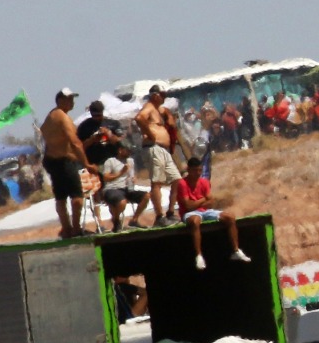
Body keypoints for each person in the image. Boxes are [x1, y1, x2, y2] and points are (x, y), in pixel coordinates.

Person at [174, 157, 251, 271]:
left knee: (230, 217)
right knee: (195, 221)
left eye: (200, 170)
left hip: (205, 211)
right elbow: (188, 206)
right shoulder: (182, 183)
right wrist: (202, 200)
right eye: (195, 170)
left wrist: (198, 202)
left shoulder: (204, 182)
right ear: (189, 170)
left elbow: (211, 201)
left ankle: (236, 250)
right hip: (189, 213)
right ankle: (199, 255)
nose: (198, 173)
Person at [41, 87, 98, 238]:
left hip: (52, 160)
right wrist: (87, 164)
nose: (72, 102)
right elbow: (75, 143)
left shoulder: (50, 117)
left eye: (72, 99)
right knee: (77, 197)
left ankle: (66, 229)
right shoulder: (62, 117)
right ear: (60, 100)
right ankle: (76, 229)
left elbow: (51, 139)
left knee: (60, 196)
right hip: (64, 161)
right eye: (68, 99)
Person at [137, 85, 181, 226]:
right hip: (154, 148)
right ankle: (159, 216)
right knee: (157, 182)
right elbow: (139, 118)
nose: (164, 97)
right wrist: (150, 134)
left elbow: (166, 112)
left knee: (177, 180)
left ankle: (170, 212)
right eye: (162, 95)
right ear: (155, 95)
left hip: (163, 149)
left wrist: (168, 116)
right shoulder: (149, 107)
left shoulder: (158, 110)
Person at [99, 142, 147, 233]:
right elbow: (106, 178)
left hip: (127, 188)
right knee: (122, 202)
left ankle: (134, 220)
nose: (129, 153)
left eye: (130, 151)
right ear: (120, 150)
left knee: (146, 196)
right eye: (127, 151)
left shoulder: (130, 161)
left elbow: (132, 174)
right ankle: (116, 220)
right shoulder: (110, 161)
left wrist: (134, 178)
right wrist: (121, 172)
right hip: (112, 188)